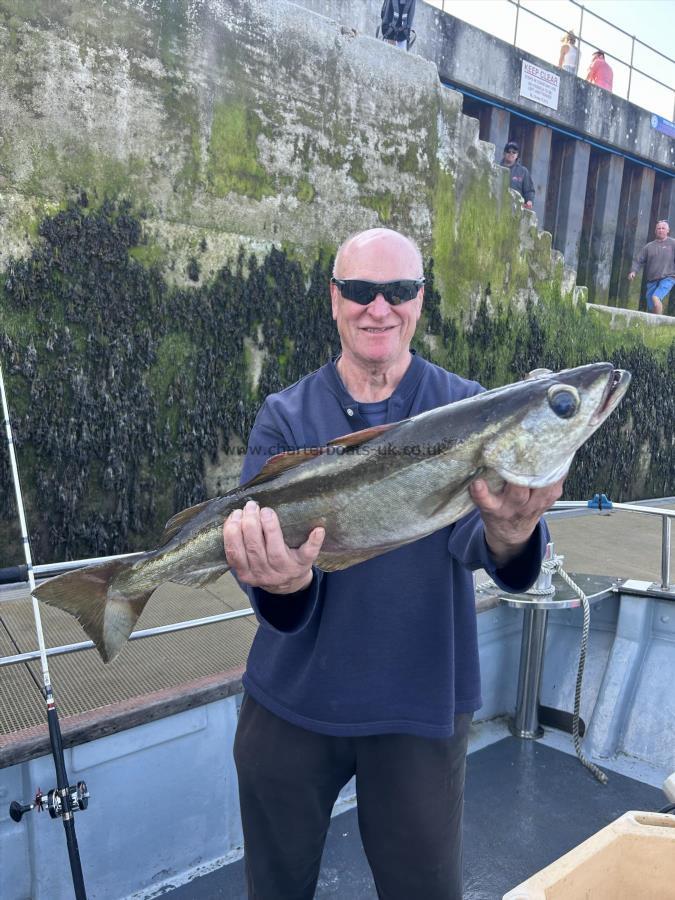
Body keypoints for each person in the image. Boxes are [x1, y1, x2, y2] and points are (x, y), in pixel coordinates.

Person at [224, 227, 562, 900]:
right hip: (292, 700)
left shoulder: (467, 407)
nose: (378, 308)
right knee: (275, 888)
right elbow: (258, 565)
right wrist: (282, 581)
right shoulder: (285, 417)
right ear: (333, 300)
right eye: (359, 290)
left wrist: (516, 531)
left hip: (419, 701)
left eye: (398, 290)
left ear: (419, 300)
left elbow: (485, 546)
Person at [628, 220, 675, 315]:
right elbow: (638, 260)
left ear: (668, 230)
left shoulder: (673, 243)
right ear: (655, 230)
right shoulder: (649, 247)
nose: (661, 230)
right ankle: (656, 325)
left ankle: (659, 324)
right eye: (658, 228)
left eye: (663, 228)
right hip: (652, 280)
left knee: (656, 297)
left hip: (668, 278)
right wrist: (633, 271)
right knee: (652, 307)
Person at [501, 141, 535, 209]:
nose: (511, 153)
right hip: (499, 207)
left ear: (517, 155)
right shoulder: (496, 169)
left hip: (516, 210)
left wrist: (529, 201)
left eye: (514, 152)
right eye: (508, 151)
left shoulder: (523, 171)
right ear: (504, 153)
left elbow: (529, 190)